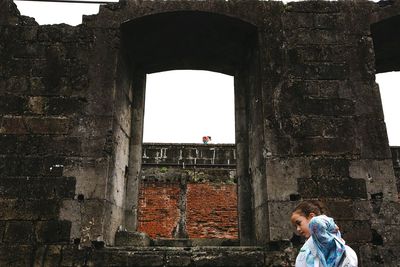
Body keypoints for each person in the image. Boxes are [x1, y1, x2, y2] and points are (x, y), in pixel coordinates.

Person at [291, 200, 358, 267]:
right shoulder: (307, 248)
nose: (298, 229)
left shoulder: (326, 242)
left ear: (311, 217)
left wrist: (331, 225)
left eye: (299, 223)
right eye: (295, 226)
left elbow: (316, 222)